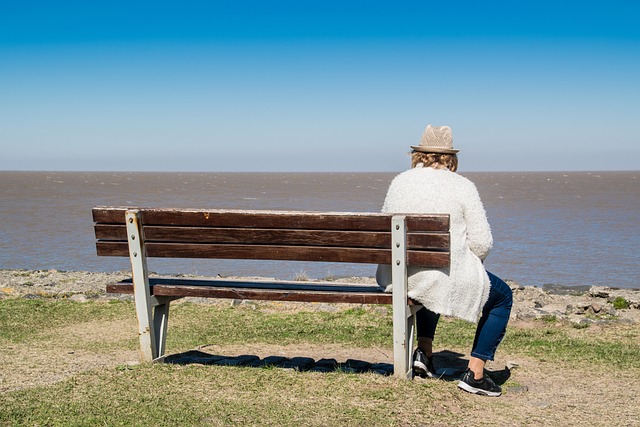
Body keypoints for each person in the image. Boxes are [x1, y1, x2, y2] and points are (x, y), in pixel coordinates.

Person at [376, 124, 513, 397]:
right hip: (436, 273)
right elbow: (482, 243)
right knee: (502, 297)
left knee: (428, 278)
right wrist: (473, 262)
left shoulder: (399, 182)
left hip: (400, 276)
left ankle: (424, 355)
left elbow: (383, 231)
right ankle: (475, 373)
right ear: (450, 156)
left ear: (418, 153)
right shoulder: (463, 186)